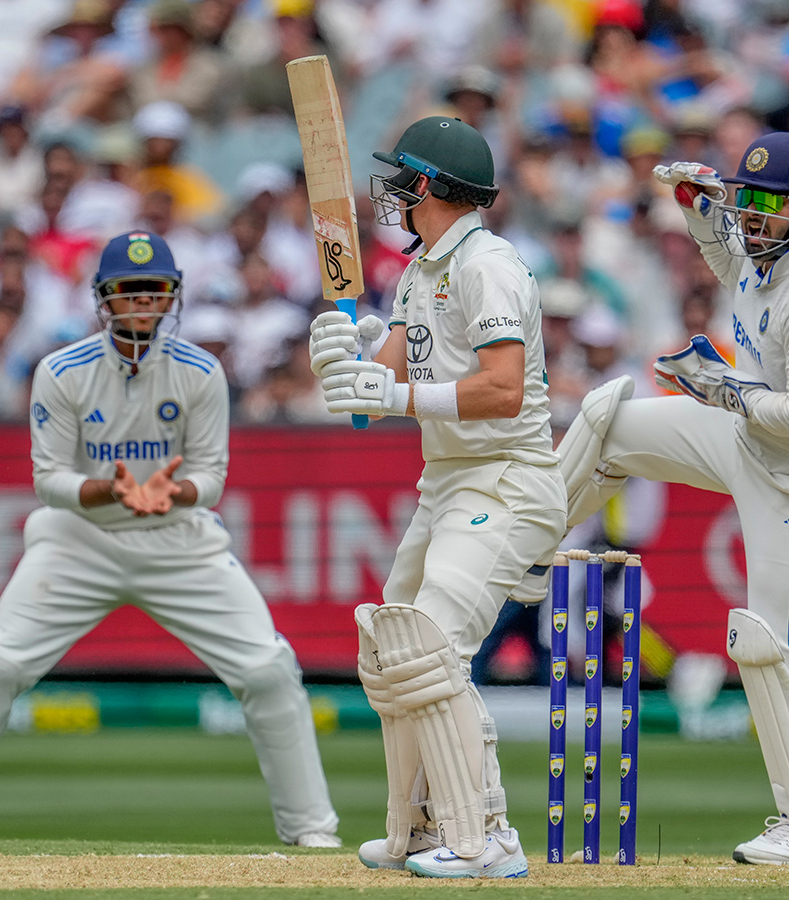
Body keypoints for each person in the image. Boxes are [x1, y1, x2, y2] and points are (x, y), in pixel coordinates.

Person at [0, 231, 340, 848]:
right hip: (80, 539)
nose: (140, 303)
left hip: (177, 540)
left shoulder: (201, 373)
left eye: (153, 291)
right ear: (103, 298)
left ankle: (310, 831)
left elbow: (210, 477)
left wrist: (171, 495)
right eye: (127, 291)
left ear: (171, 297)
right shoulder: (61, 370)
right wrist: (110, 492)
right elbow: (49, 480)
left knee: (269, 670)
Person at [556, 131, 789, 865]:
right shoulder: (764, 257)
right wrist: (699, 208)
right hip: (741, 435)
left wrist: (721, 385)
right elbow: (731, 260)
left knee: (769, 646)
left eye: (768, 202)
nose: (753, 214)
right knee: (606, 421)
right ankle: (531, 545)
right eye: (747, 198)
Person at [307, 115, 565, 878]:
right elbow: (368, 401)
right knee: (393, 651)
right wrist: (339, 361)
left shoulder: (488, 265)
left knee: (434, 644)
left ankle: (485, 838)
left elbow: (505, 391)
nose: (390, 194)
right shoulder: (418, 271)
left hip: (509, 478)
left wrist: (394, 394)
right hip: (448, 483)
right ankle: (417, 828)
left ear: (428, 186)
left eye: (400, 181)